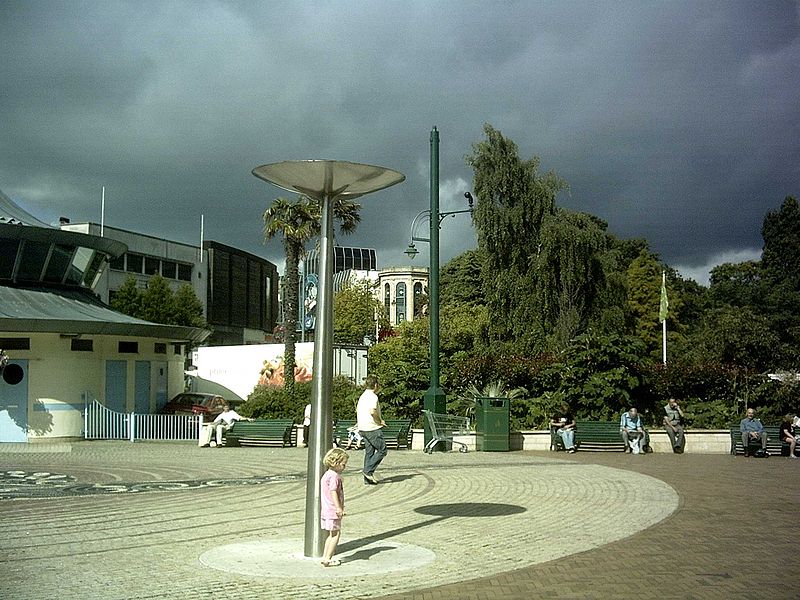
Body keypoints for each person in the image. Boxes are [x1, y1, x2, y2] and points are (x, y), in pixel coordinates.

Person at [320, 448, 348, 567]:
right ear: (336, 463)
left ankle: (325, 556)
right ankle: (328, 558)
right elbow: (333, 492)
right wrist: (338, 508)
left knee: (331, 534)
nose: (344, 467)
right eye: (343, 464)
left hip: (326, 509)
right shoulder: (334, 477)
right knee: (336, 534)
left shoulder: (326, 474)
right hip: (332, 510)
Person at [356, 375, 386, 485]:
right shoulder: (373, 397)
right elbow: (373, 412)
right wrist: (380, 421)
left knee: (369, 452)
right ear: (376, 385)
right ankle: (367, 471)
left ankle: (367, 479)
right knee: (382, 450)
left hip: (363, 427)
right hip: (372, 428)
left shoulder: (363, 396)